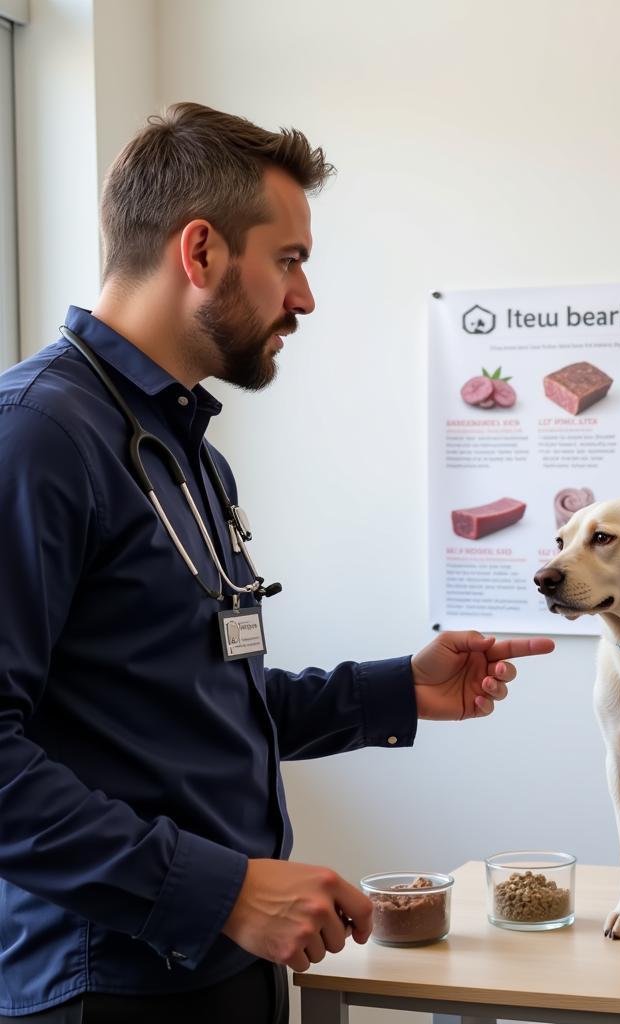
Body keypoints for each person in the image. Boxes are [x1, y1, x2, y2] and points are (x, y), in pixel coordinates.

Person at [0, 103, 554, 1023]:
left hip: (230, 967)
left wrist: (396, 690)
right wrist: (220, 892)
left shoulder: (184, 451)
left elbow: (193, 706)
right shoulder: (37, 439)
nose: (305, 299)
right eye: (290, 261)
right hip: (108, 984)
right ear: (203, 251)